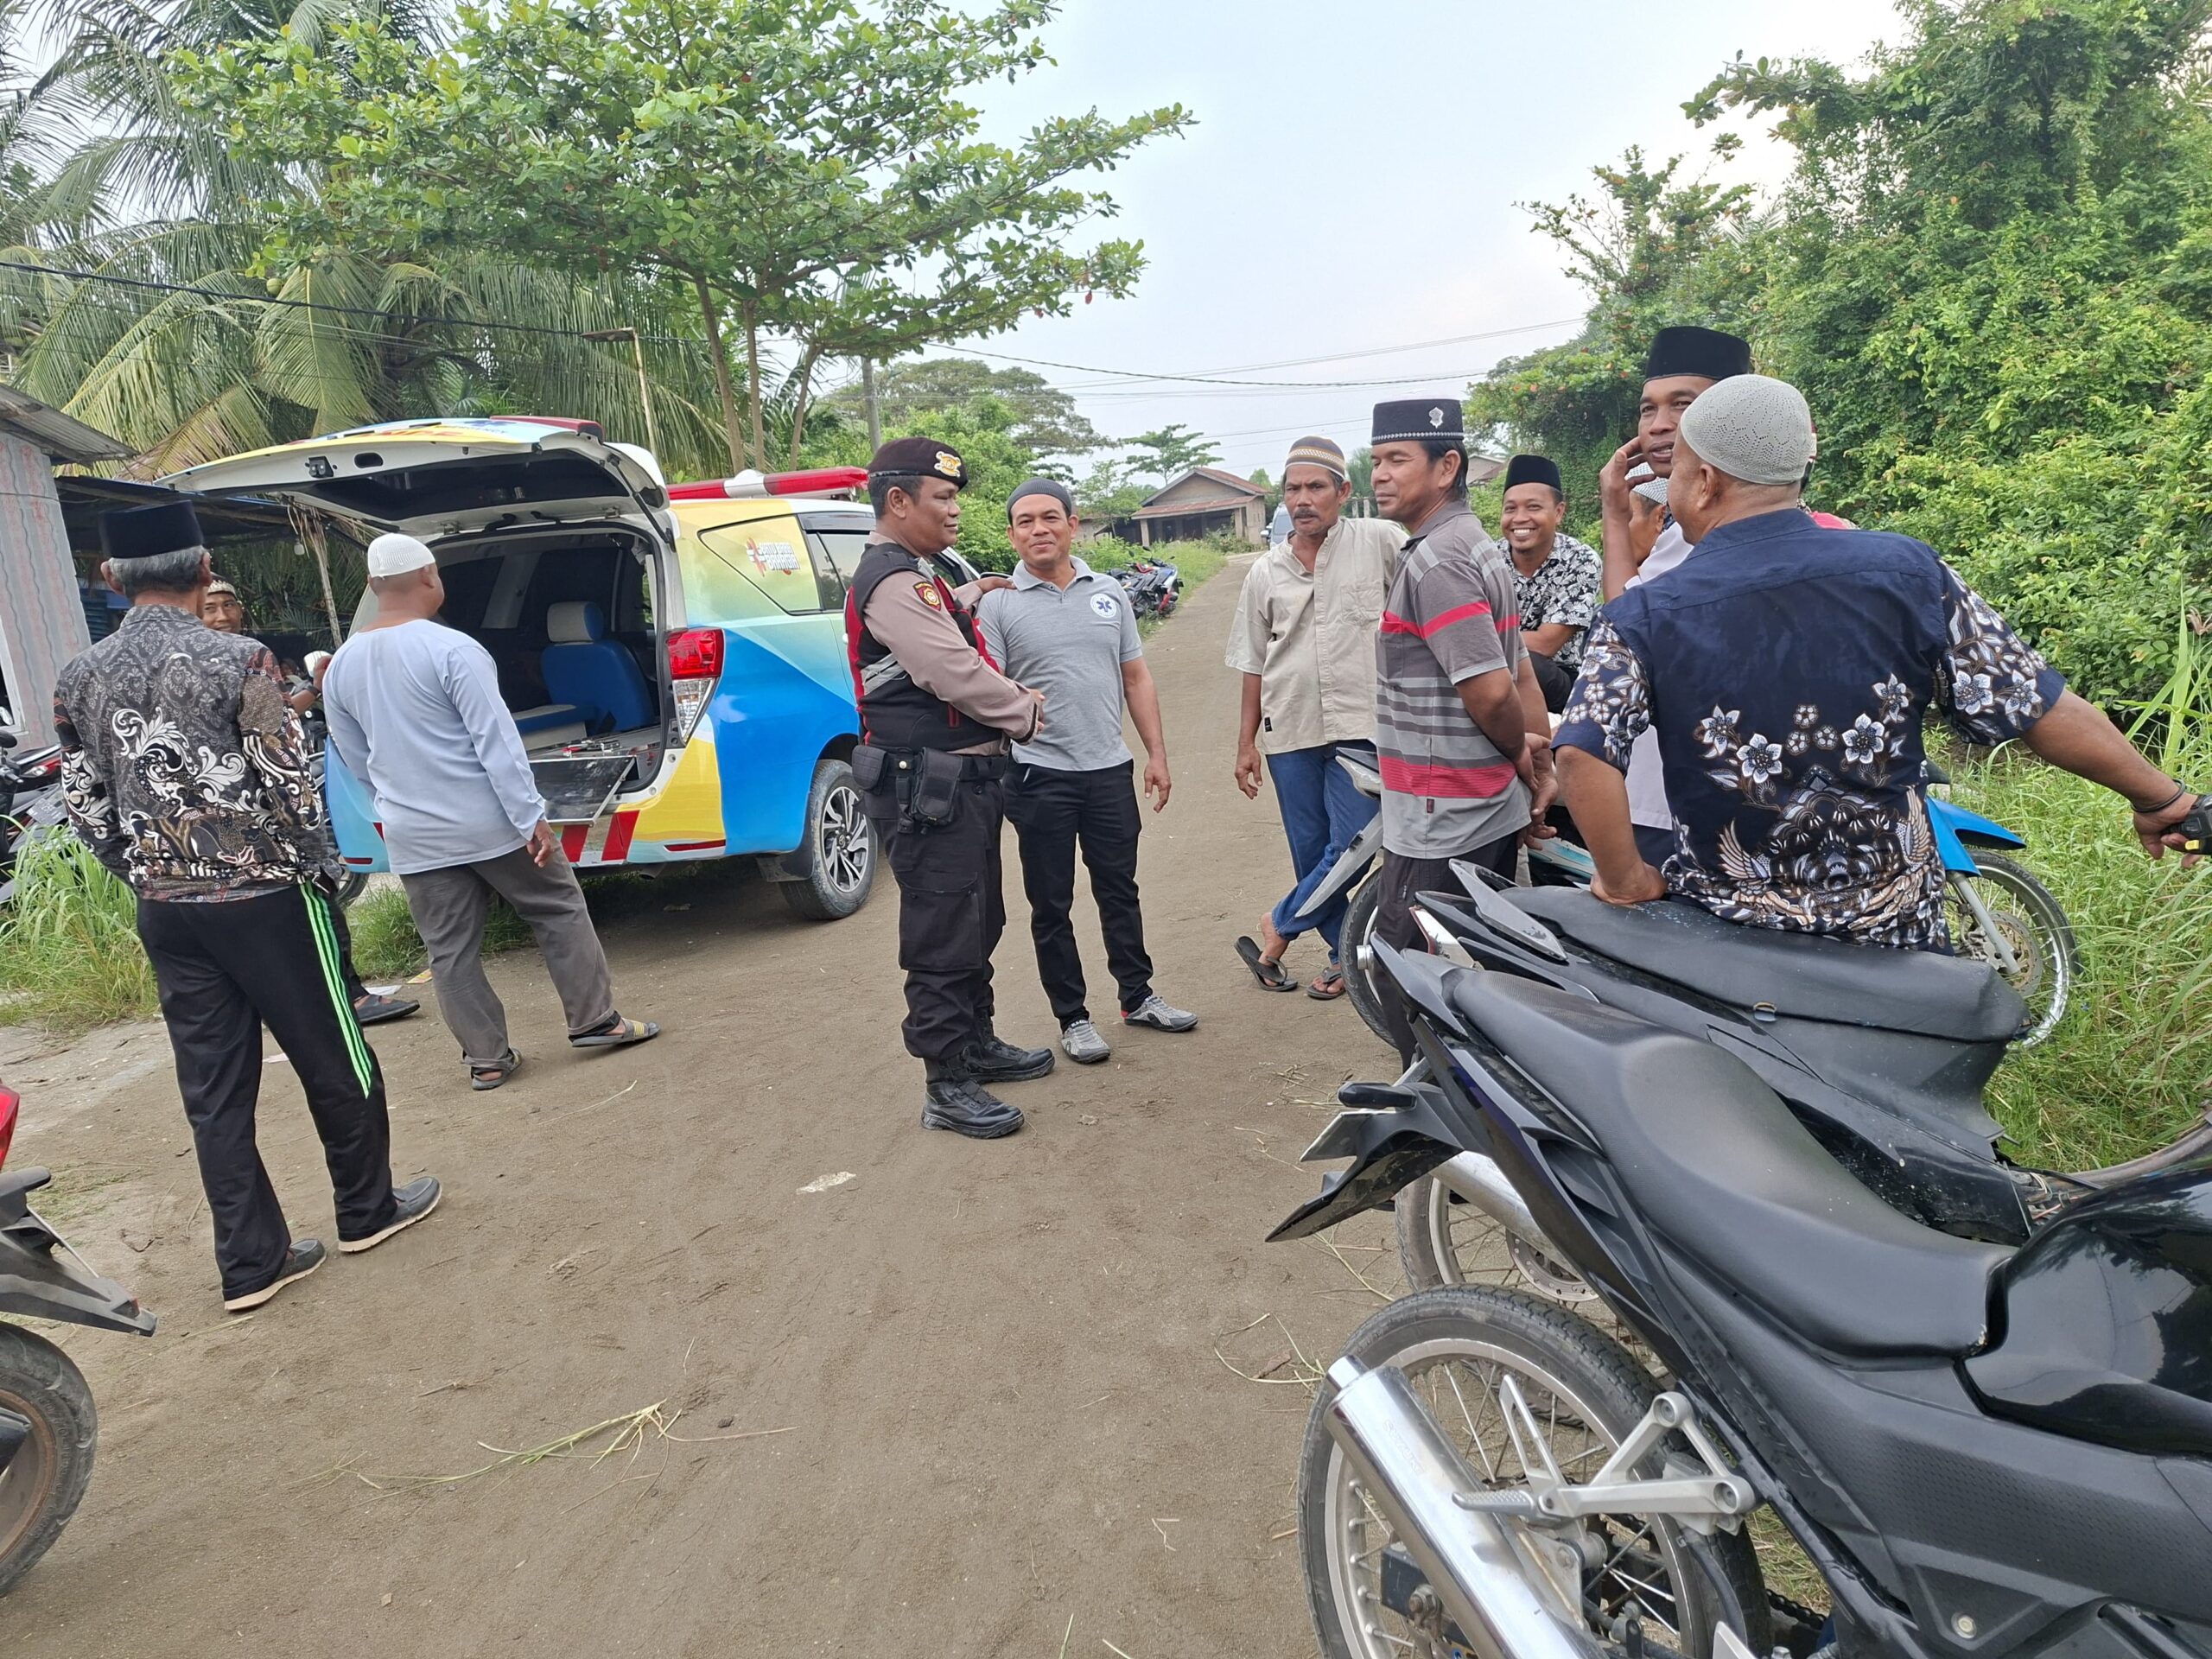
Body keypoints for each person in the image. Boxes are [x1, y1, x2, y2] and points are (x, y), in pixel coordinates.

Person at [1555, 374, 2200, 943]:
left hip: (1730, 941)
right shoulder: (1906, 571)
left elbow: (1582, 754)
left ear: (1704, 481)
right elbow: (2034, 703)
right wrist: (2164, 799)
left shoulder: (1644, 612)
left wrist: (1627, 879)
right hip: (1894, 936)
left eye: (1674, 475)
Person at [52, 501, 438, 1313]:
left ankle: (252, 1262)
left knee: (214, 1088)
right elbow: (290, 782)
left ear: (113, 580)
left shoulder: (79, 676)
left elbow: (84, 803)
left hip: (167, 908)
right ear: (202, 571)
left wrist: (149, 869)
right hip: (266, 897)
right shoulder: (240, 659)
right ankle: (367, 1209)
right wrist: (316, 870)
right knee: (334, 1053)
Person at [320, 533, 659, 1090]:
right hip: (490, 822)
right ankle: (596, 1021)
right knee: (557, 908)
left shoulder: (341, 665)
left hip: (413, 832)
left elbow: (355, 755)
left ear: (373, 585)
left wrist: (396, 807)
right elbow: (496, 742)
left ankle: (487, 1060)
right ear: (429, 575)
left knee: (449, 951)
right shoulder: (452, 649)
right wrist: (531, 817)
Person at [844, 436, 1056, 1139]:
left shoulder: (917, 574)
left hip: (959, 782)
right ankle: (946, 1081)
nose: (955, 509)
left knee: (977, 919)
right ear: (898, 501)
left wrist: (975, 589)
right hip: (927, 787)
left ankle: (974, 1042)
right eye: (942, 497)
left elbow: (937, 620)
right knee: (942, 933)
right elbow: (948, 670)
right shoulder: (892, 580)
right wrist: (1023, 710)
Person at [977, 479, 1198, 1065]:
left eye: (1050, 517)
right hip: (1037, 776)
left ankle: (1138, 996)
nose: (1039, 529)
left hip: (1108, 770)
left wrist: (1156, 754)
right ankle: (1072, 1016)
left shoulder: (1110, 593)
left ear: (1073, 525)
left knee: (1119, 889)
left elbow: (1136, 677)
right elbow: (989, 688)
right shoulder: (998, 604)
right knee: (1051, 903)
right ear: (1012, 535)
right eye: (1025, 521)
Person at [1368, 398, 1555, 1065]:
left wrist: (1521, 756)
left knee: (1408, 978)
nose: (1379, 475)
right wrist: (1533, 765)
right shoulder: (1474, 545)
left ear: (1447, 466)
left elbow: (1494, 689)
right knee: (1477, 970)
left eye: (1396, 460)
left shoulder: (1438, 561)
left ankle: (1448, 1102)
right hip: (1476, 805)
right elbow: (1521, 669)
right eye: (1376, 461)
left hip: (1444, 814)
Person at [1227, 435, 1407, 999]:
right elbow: (1253, 663)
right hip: (1291, 727)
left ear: (1343, 491)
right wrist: (1245, 744)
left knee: (1353, 844)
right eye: (1293, 489)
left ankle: (1279, 923)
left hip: (1365, 724)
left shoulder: (1381, 542)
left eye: (1316, 487)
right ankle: (1342, 957)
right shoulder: (1265, 572)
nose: (1303, 500)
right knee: (1310, 852)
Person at [200, 577, 417, 1028]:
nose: (222, 616)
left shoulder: (242, 657)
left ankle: (295, 1001)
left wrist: (315, 688)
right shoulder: (233, 661)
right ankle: (349, 998)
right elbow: (269, 736)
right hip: (261, 813)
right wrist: (300, 822)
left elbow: (277, 716)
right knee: (316, 902)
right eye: (210, 608)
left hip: (238, 817)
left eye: (229, 604)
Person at [1595, 326, 1754, 868]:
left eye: (1681, 405)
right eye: (1648, 409)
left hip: (1684, 809)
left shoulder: (1713, 534)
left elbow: (1621, 626)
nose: (1659, 425)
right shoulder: (1676, 531)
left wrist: (1613, 516)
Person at [1497, 454, 1603, 714]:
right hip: (1494, 669)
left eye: (1533, 507)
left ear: (1558, 512)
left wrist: (1476, 638)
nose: (1519, 518)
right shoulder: (1486, 560)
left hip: (1556, 675)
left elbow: (1546, 644)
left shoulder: (1580, 560)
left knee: (1529, 664)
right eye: (1510, 509)